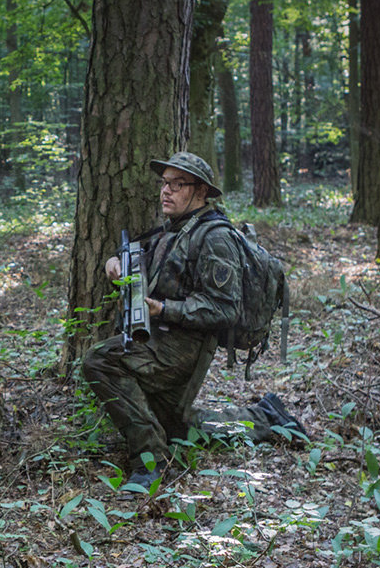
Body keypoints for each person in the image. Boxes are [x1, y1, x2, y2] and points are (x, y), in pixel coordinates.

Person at [82, 152, 305, 490]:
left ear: (200, 191)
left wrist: (163, 310)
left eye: (177, 184)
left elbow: (224, 309)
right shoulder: (174, 229)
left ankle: (150, 463)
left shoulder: (214, 237)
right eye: (164, 183)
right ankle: (266, 417)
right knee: (180, 428)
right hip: (160, 341)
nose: (165, 191)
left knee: (100, 361)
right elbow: (140, 252)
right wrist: (114, 261)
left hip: (184, 348)